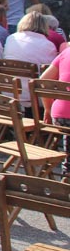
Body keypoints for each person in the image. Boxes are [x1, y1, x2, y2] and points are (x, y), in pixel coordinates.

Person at [3, 11, 57, 114]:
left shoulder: (11, 39)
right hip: (34, 98)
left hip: (9, 92)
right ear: (44, 26)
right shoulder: (47, 45)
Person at [39, 47, 70, 175]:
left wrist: (48, 109)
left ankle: (67, 170)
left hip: (60, 116)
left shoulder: (66, 52)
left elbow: (43, 81)